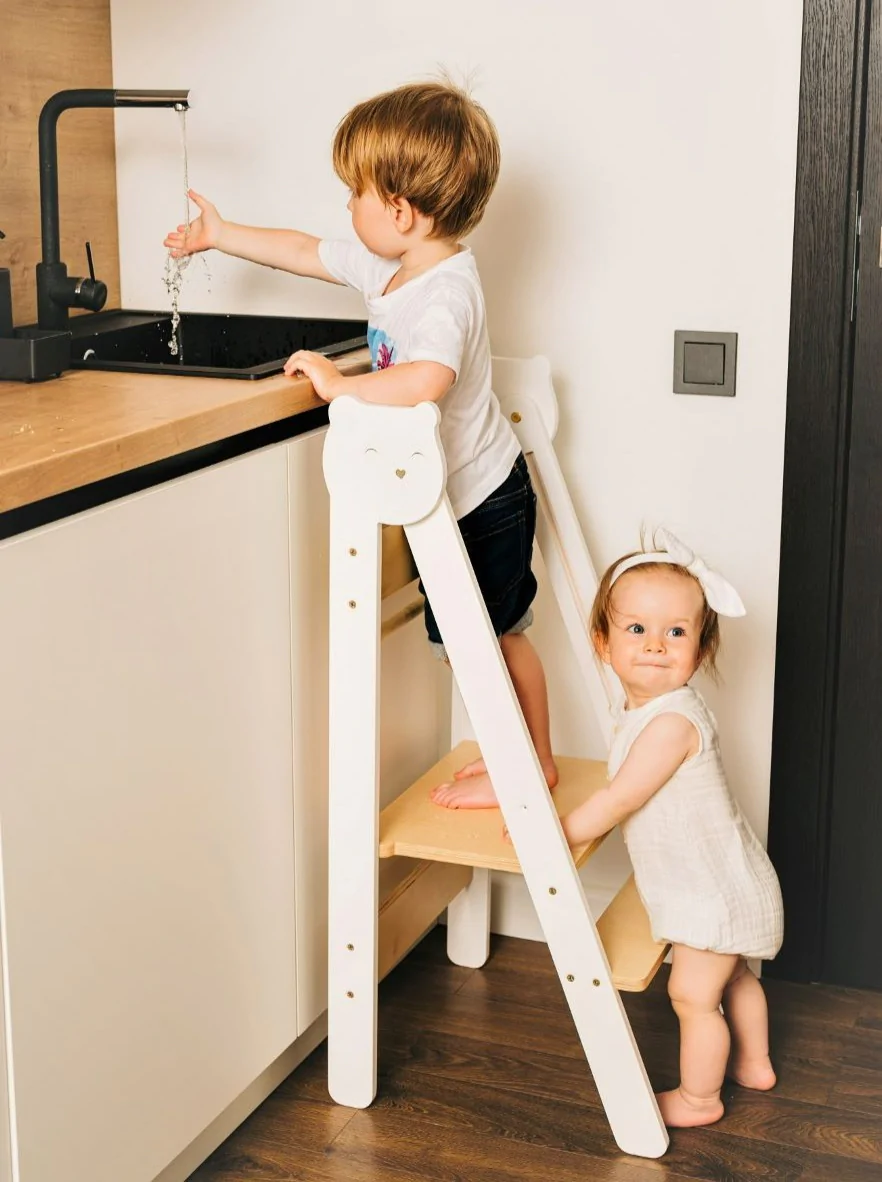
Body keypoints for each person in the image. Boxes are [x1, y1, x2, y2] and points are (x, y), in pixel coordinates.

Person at [164, 79, 555, 809]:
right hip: (459, 496)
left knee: (495, 640)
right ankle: (517, 758)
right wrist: (222, 234)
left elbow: (427, 378)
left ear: (400, 211)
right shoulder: (395, 269)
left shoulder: (446, 293)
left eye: (356, 192)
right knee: (471, 644)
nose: (346, 206)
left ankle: (531, 766)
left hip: (485, 501)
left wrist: (342, 387)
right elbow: (302, 251)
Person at [559, 529, 783, 1128]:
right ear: (603, 643)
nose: (656, 645)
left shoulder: (671, 723)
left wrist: (561, 831)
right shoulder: (647, 712)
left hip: (710, 893)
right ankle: (755, 1063)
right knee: (734, 976)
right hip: (722, 879)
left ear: (700, 650)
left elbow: (620, 799)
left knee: (692, 996)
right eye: (637, 629)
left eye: (676, 633)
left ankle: (700, 1099)